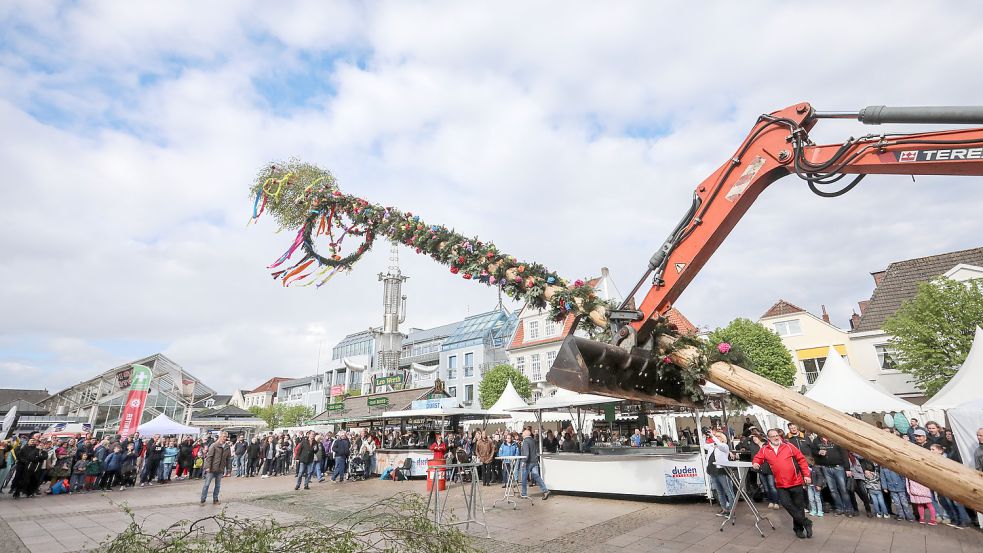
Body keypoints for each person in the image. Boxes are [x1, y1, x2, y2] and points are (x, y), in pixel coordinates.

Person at [752, 428, 813, 539]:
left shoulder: (788, 446)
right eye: (773, 436)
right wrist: (756, 463)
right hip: (781, 484)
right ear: (768, 438)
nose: (776, 437)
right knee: (786, 504)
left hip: (796, 481)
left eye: (777, 435)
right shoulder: (765, 449)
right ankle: (806, 522)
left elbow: (801, 460)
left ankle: (799, 529)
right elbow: (758, 458)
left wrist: (807, 475)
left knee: (799, 507)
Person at [812, 435, 853, 516]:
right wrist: (818, 452)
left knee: (843, 489)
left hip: (838, 467)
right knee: (833, 490)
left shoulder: (835, 438)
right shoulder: (816, 440)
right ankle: (839, 508)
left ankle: (848, 509)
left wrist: (847, 468)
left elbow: (844, 454)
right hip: (826, 468)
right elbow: (813, 451)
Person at [200, 432, 232, 505]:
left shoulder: (227, 446)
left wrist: (228, 469)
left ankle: (215, 499)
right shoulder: (214, 445)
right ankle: (203, 499)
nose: (225, 438)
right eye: (224, 436)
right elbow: (209, 457)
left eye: (226, 436)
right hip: (212, 468)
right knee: (207, 484)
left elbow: (228, 459)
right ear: (220, 436)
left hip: (220, 469)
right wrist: (208, 467)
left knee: (217, 485)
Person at [519, 429, 550, 500]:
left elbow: (526, 453)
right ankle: (545, 490)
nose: (522, 434)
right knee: (536, 476)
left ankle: (524, 494)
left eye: (523, 433)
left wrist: (524, 461)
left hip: (528, 462)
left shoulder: (526, 441)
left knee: (524, 478)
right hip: (535, 461)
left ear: (526, 434)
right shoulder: (533, 441)